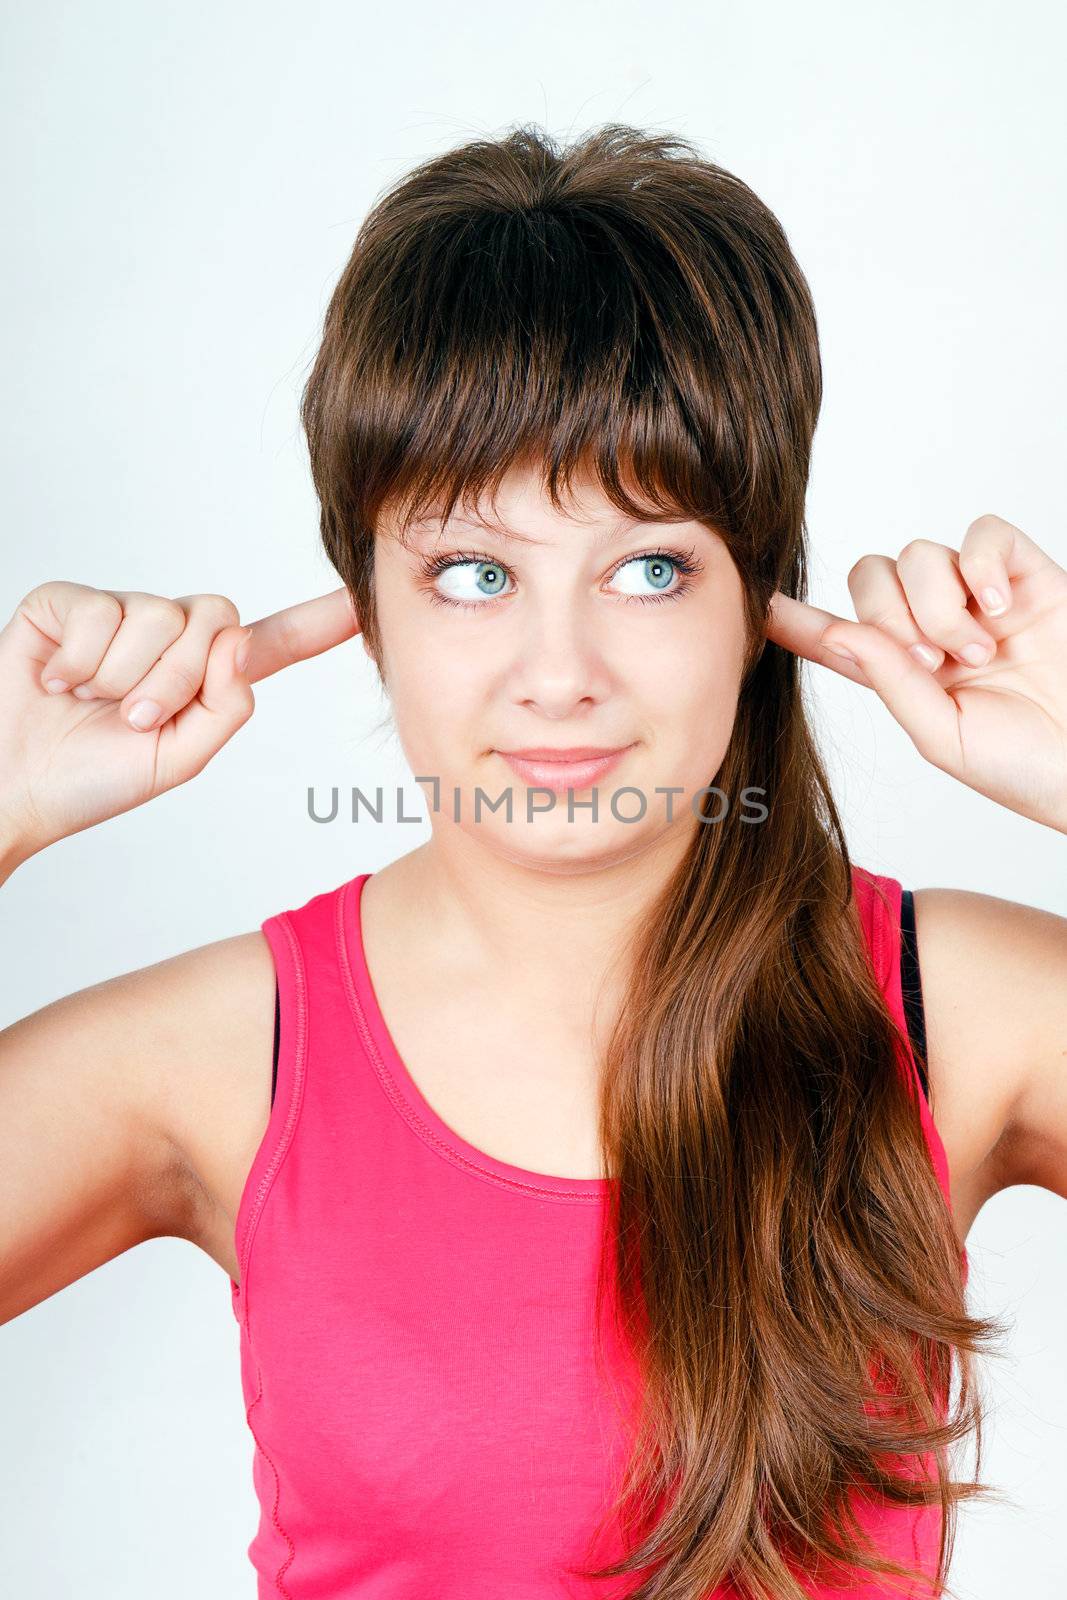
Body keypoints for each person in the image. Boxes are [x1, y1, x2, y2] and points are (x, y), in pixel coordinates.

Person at [1, 122, 1065, 1600]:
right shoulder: (223, 1053)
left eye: (648, 567)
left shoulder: (955, 1009)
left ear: (759, 592)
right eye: (474, 573)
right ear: (363, 603)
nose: (557, 675)